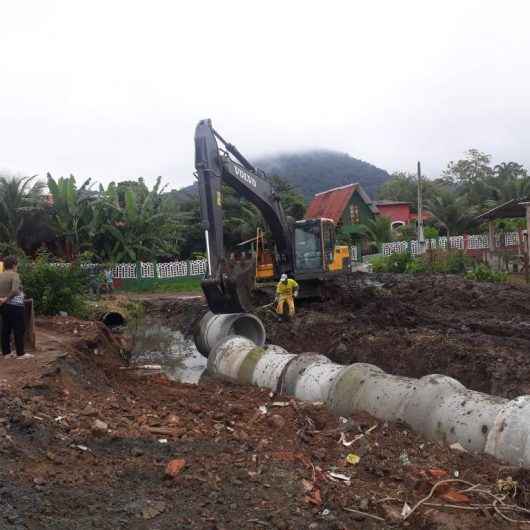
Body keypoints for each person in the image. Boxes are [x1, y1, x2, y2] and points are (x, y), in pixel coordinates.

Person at [0, 256, 30, 359]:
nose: (17, 267)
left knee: (6, 329)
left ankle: (6, 353)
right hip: (15, 306)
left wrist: (3, 300)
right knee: (19, 328)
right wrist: (7, 298)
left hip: (3, 306)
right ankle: (20, 353)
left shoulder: (1, 275)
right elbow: (14, 290)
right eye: (17, 265)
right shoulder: (15, 275)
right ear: (13, 265)